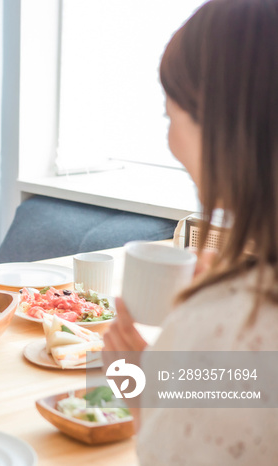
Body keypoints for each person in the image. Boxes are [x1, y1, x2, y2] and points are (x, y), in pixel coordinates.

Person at [103, 0, 278, 463]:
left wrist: (138, 379)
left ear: (223, 125)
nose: (170, 140)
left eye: (170, 116)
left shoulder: (237, 317)